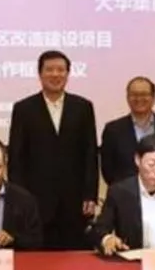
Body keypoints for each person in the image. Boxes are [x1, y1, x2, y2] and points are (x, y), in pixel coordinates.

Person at [7, 50, 99, 250]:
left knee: (73, 256)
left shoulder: (83, 107)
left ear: (68, 74)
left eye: (60, 70)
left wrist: (90, 194)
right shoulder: (24, 108)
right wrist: (18, 199)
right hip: (35, 201)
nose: (55, 74)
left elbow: (90, 153)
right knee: (37, 257)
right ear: (40, 74)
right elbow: (16, 157)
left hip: (74, 200)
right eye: (49, 70)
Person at [100, 76, 155, 185]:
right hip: (124, 192)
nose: (139, 99)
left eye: (144, 94)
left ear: (154, 98)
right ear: (127, 98)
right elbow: (108, 169)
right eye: (134, 94)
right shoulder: (112, 130)